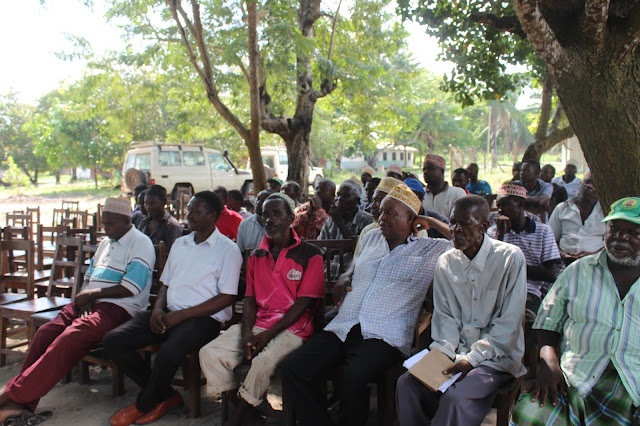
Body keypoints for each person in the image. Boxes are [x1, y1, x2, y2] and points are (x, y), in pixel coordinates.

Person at [282, 184, 453, 426]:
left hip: (384, 335)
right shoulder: (372, 237)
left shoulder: (429, 249)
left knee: (350, 376)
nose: (381, 218)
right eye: (381, 212)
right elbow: (357, 263)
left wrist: (432, 222)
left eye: (390, 213)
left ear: (411, 219)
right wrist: (346, 274)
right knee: (294, 367)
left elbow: (466, 241)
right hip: (345, 324)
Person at [0, 198, 155, 423]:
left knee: (70, 337)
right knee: (45, 333)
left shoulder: (141, 243)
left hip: (120, 307)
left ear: (125, 221)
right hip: (90, 301)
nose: (105, 229)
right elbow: (89, 277)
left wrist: (93, 295)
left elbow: (133, 287)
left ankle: (11, 396)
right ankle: (22, 403)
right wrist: (86, 298)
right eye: (103, 223)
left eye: (109, 224)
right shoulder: (106, 242)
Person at [105, 191, 242, 426]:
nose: (189, 215)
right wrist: (158, 309)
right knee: (113, 341)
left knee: (168, 354)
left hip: (203, 319)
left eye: (196, 211)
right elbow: (165, 283)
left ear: (212, 215)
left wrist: (180, 315)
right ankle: (165, 396)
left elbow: (227, 297)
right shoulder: (181, 243)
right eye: (189, 210)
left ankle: (143, 404)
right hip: (169, 313)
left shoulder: (228, 249)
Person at [396, 195, 527, 426]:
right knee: (407, 384)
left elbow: (509, 325)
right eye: (453, 222)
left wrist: (472, 359)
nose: (455, 229)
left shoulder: (509, 258)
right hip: (455, 352)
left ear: (483, 226)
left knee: (456, 399)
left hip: (496, 357)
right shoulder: (446, 262)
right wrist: (442, 353)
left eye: (464, 224)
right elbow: (445, 318)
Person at [511, 197, 640, 425]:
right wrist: (548, 363)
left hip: (632, 383)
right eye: (615, 229)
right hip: (575, 376)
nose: (621, 237)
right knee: (530, 415)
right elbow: (547, 324)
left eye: (634, 232)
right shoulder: (578, 271)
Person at [199, 193, 324, 426]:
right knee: (209, 353)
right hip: (260, 323)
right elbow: (249, 300)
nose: (269, 219)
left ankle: (236, 419)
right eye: (265, 215)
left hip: (295, 328)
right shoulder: (256, 256)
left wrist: (267, 335)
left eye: (277, 214)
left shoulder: (310, 254)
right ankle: (250, 415)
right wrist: (247, 334)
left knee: (263, 362)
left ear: (291, 218)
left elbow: (303, 304)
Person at [487, 184, 561, 368]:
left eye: (505, 205)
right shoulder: (494, 232)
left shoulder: (542, 231)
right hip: (497, 288)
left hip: (529, 289)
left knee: (528, 320)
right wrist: (501, 237)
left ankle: (522, 364)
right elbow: (491, 267)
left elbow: (552, 273)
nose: (500, 211)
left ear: (520, 205)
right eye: (498, 206)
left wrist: (516, 268)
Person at [548, 173, 605, 264]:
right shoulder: (562, 208)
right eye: (587, 182)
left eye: (594, 184)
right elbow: (550, 238)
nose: (589, 186)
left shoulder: (605, 212)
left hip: (596, 263)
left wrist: (594, 255)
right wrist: (562, 253)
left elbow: (610, 243)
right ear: (580, 184)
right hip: (564, 262)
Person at [138, 185, 183, 252]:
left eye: (152, 203)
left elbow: (173, 253)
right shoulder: (144, 222)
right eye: (146, 203)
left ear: (163, 202)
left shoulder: (172, 226)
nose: (148, 207)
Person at [422, 154, 466, 218]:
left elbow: (456, 222)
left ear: (442, 171)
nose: (425, 172)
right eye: (424, 169)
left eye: (430, 169)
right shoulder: (420, 194)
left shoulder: (457, 193)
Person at [236, 190, 273, 255]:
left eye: (263, 200)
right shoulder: (245, 224)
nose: (258, 203)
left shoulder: (277, 225)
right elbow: (240, 251)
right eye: (257, 199)